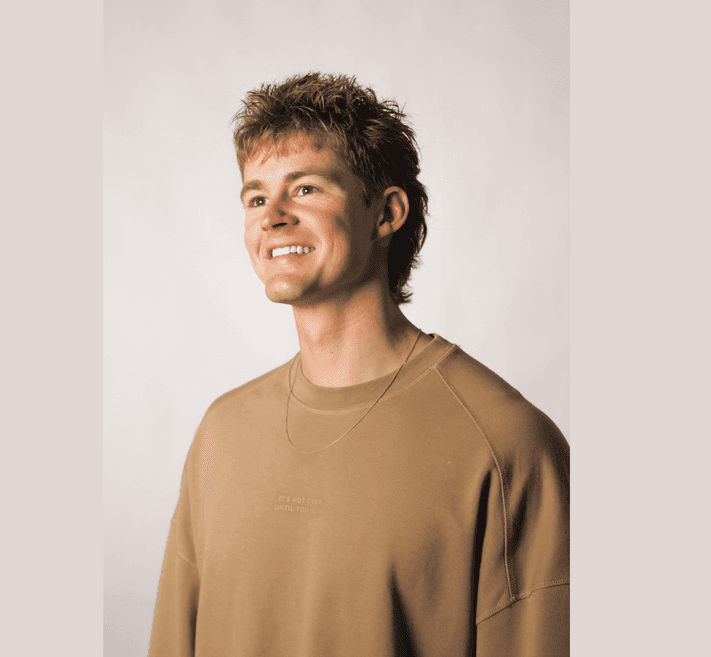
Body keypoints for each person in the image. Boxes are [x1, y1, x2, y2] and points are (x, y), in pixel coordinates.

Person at [148, 72, 569, 656]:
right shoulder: (223, 432)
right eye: (255, 196)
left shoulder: (506, 445)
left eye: (305, 189)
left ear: (387, 212)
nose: (272, 215)